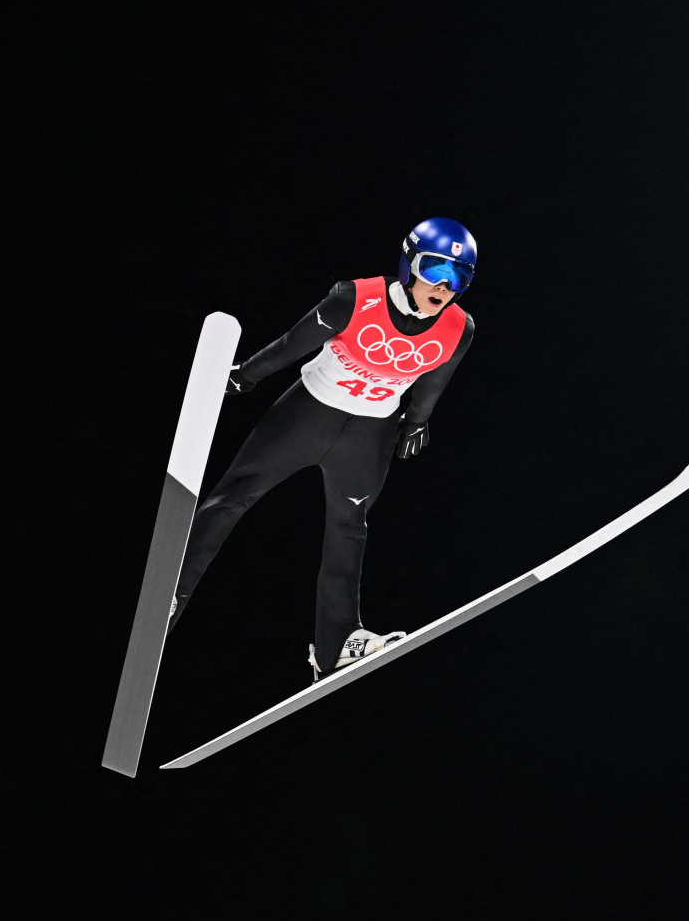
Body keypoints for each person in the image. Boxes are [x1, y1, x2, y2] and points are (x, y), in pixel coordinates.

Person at [171, 218, 479, 681]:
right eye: (434, 269)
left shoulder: (459, 327)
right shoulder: (354, 298)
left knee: (350, 526)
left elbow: (435, 380)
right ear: (408, 263)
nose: (443, 286)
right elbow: (292, 344)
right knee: (234, 496)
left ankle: (339, 642)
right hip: (308, 414)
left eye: (458, 277)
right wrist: (246, 374)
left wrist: (417, 421)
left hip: (369, 434)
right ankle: (172, 591)